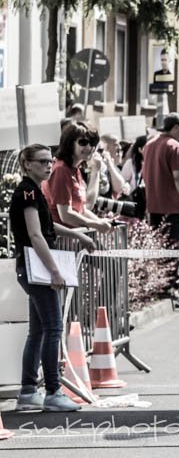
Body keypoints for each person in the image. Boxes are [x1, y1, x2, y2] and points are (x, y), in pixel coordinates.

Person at [10, 144, 96, 413]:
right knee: (53, 329)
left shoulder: (34, 191)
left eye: (50, 161)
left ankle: (28, 391)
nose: (49, 165)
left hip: (33, 267)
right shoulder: (27, 191)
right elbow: (36, 235)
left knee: (38, 330)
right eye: (43, 161)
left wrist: (79, 234)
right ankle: (53, 391)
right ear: (27, 164)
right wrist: (55, 271)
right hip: (36, 268)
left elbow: (47, 225)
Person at [142, 113, 179, 300]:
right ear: (175, 127)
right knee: (174, 249)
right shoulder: (174, 146)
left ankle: (159, 286)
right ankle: (168, 288)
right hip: (172, 206)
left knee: (158, 248)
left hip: (153, 206)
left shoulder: (149, 144)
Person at [43, 123, 113, 235]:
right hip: (61, 241)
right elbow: (65, 215)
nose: (90, 147)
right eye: (83, 142)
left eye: (93, 143)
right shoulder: (61, 169)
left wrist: (101, 222)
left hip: (73, 239)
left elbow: (82, 210)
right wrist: (97, 225)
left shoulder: (75, 169)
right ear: (70, 144)